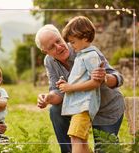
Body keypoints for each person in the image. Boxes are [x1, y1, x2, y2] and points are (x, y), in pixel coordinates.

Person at [35, 24, 125, 153]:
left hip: (105, 108)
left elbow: (118, 78)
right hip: (81, 108)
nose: (59, 47)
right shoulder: (49, 61)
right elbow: (58, 92)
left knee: (106, 150)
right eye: (51, 47)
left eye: (58, 41)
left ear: (61, 36)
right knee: (55, 111)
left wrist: (105, 77)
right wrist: (48, 98)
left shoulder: (84, 48)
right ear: (45, 51)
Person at [58, 16, 102, 153]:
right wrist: (66, 84)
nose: (71, 45)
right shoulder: (81, 55)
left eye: (73, 42)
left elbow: (96, 82)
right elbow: (81, 79)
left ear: (85, 37)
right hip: (78, 106)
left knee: (76, 137)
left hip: (84, 106)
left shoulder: (91, 56)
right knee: (79, 139)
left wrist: (70, 88)